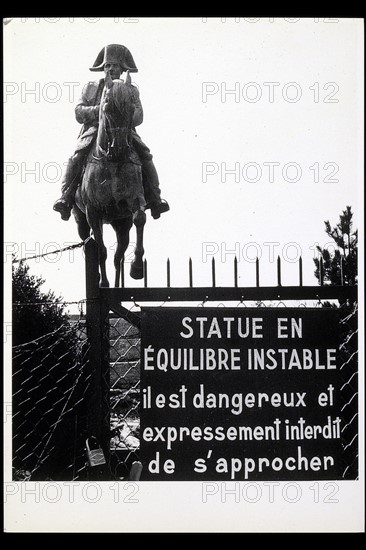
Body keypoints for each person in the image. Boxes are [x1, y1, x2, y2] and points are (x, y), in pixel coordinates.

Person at [53, 44, 170, 221]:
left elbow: (139, 115)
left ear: (122, 69)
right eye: (107, 65)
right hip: (95, 130)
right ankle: (66, 198)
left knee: (146, 155)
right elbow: (78, 111)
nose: (110, 69)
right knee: (76, 157)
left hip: (124, 130)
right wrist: (100, 111)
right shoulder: (90, 88)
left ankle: (155, 199)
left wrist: (125, 113)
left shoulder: (131, 90)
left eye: (114, 65)